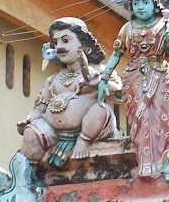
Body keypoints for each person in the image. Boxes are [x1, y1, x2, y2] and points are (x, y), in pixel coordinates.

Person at [98, 0, 169, 181]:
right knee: (139, 119)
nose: (140, 7)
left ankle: (167, 161)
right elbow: (116, 54)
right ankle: (144, 164)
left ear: (155, 4)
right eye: (136, 3)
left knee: (162, 118)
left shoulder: (165, 24)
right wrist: (104, 79)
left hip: (160, 74)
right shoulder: (127, 28)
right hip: (134, 77)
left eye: (145, 1)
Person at [17, 17, 120, 169]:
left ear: (84, 46)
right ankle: (26, 176)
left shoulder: (99, 71)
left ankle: (83, 141)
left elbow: (121, 94)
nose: (59, 47)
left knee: (101, 109)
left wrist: (100, 83)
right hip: (54, 133)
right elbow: (39, 108)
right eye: (56, 42)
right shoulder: (53, 80)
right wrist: (28, 120)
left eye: (65, 41)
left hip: (89, 131)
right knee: (30, 133)